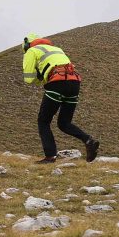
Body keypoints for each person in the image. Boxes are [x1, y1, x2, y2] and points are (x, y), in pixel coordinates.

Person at [22, 32, 99, 164]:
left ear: (26, 45)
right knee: (64, 123)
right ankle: (88, 140)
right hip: (74, 83)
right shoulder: (57, 49)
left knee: (43, 121)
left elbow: (28, 79)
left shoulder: (31, 51)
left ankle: (50, 156)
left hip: (57, 83)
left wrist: (39, 76)